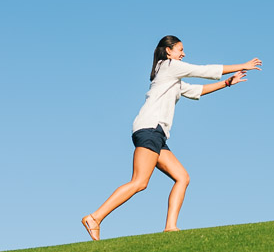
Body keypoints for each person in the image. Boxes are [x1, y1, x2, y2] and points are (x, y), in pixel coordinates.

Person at [82, 35, 262, 240]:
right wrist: (243, 65)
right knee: (140, 181)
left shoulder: (173, 78)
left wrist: (228, 83)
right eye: (180, 50)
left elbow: (197, 90)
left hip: (158, 134)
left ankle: (170, 227)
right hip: (149, 128)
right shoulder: (168, 66)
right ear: (168, 51)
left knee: (182, 177)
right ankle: (95, 218)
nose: (183, 54)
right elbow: (202, 71)